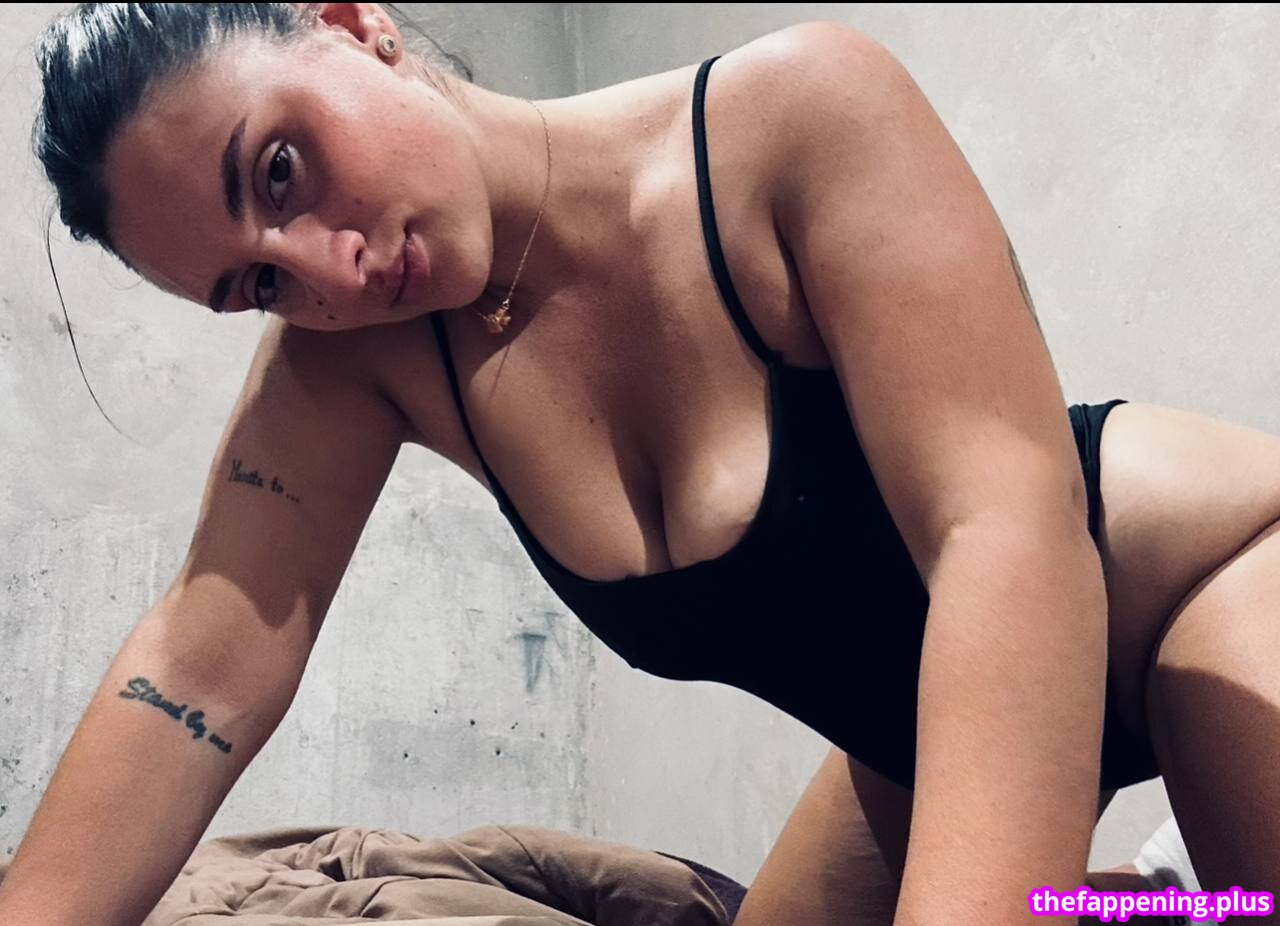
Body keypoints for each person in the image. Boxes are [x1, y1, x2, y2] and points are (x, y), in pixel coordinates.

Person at [4, 3, 1279, 923]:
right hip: (905, 716)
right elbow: (199, 667)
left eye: (281, 169)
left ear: (349, 23)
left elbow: (1003, 535)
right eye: (256, 282)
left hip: (1199, 583)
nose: (325, 269)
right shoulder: (351, 360)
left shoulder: (790, 119)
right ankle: (1146, 899)